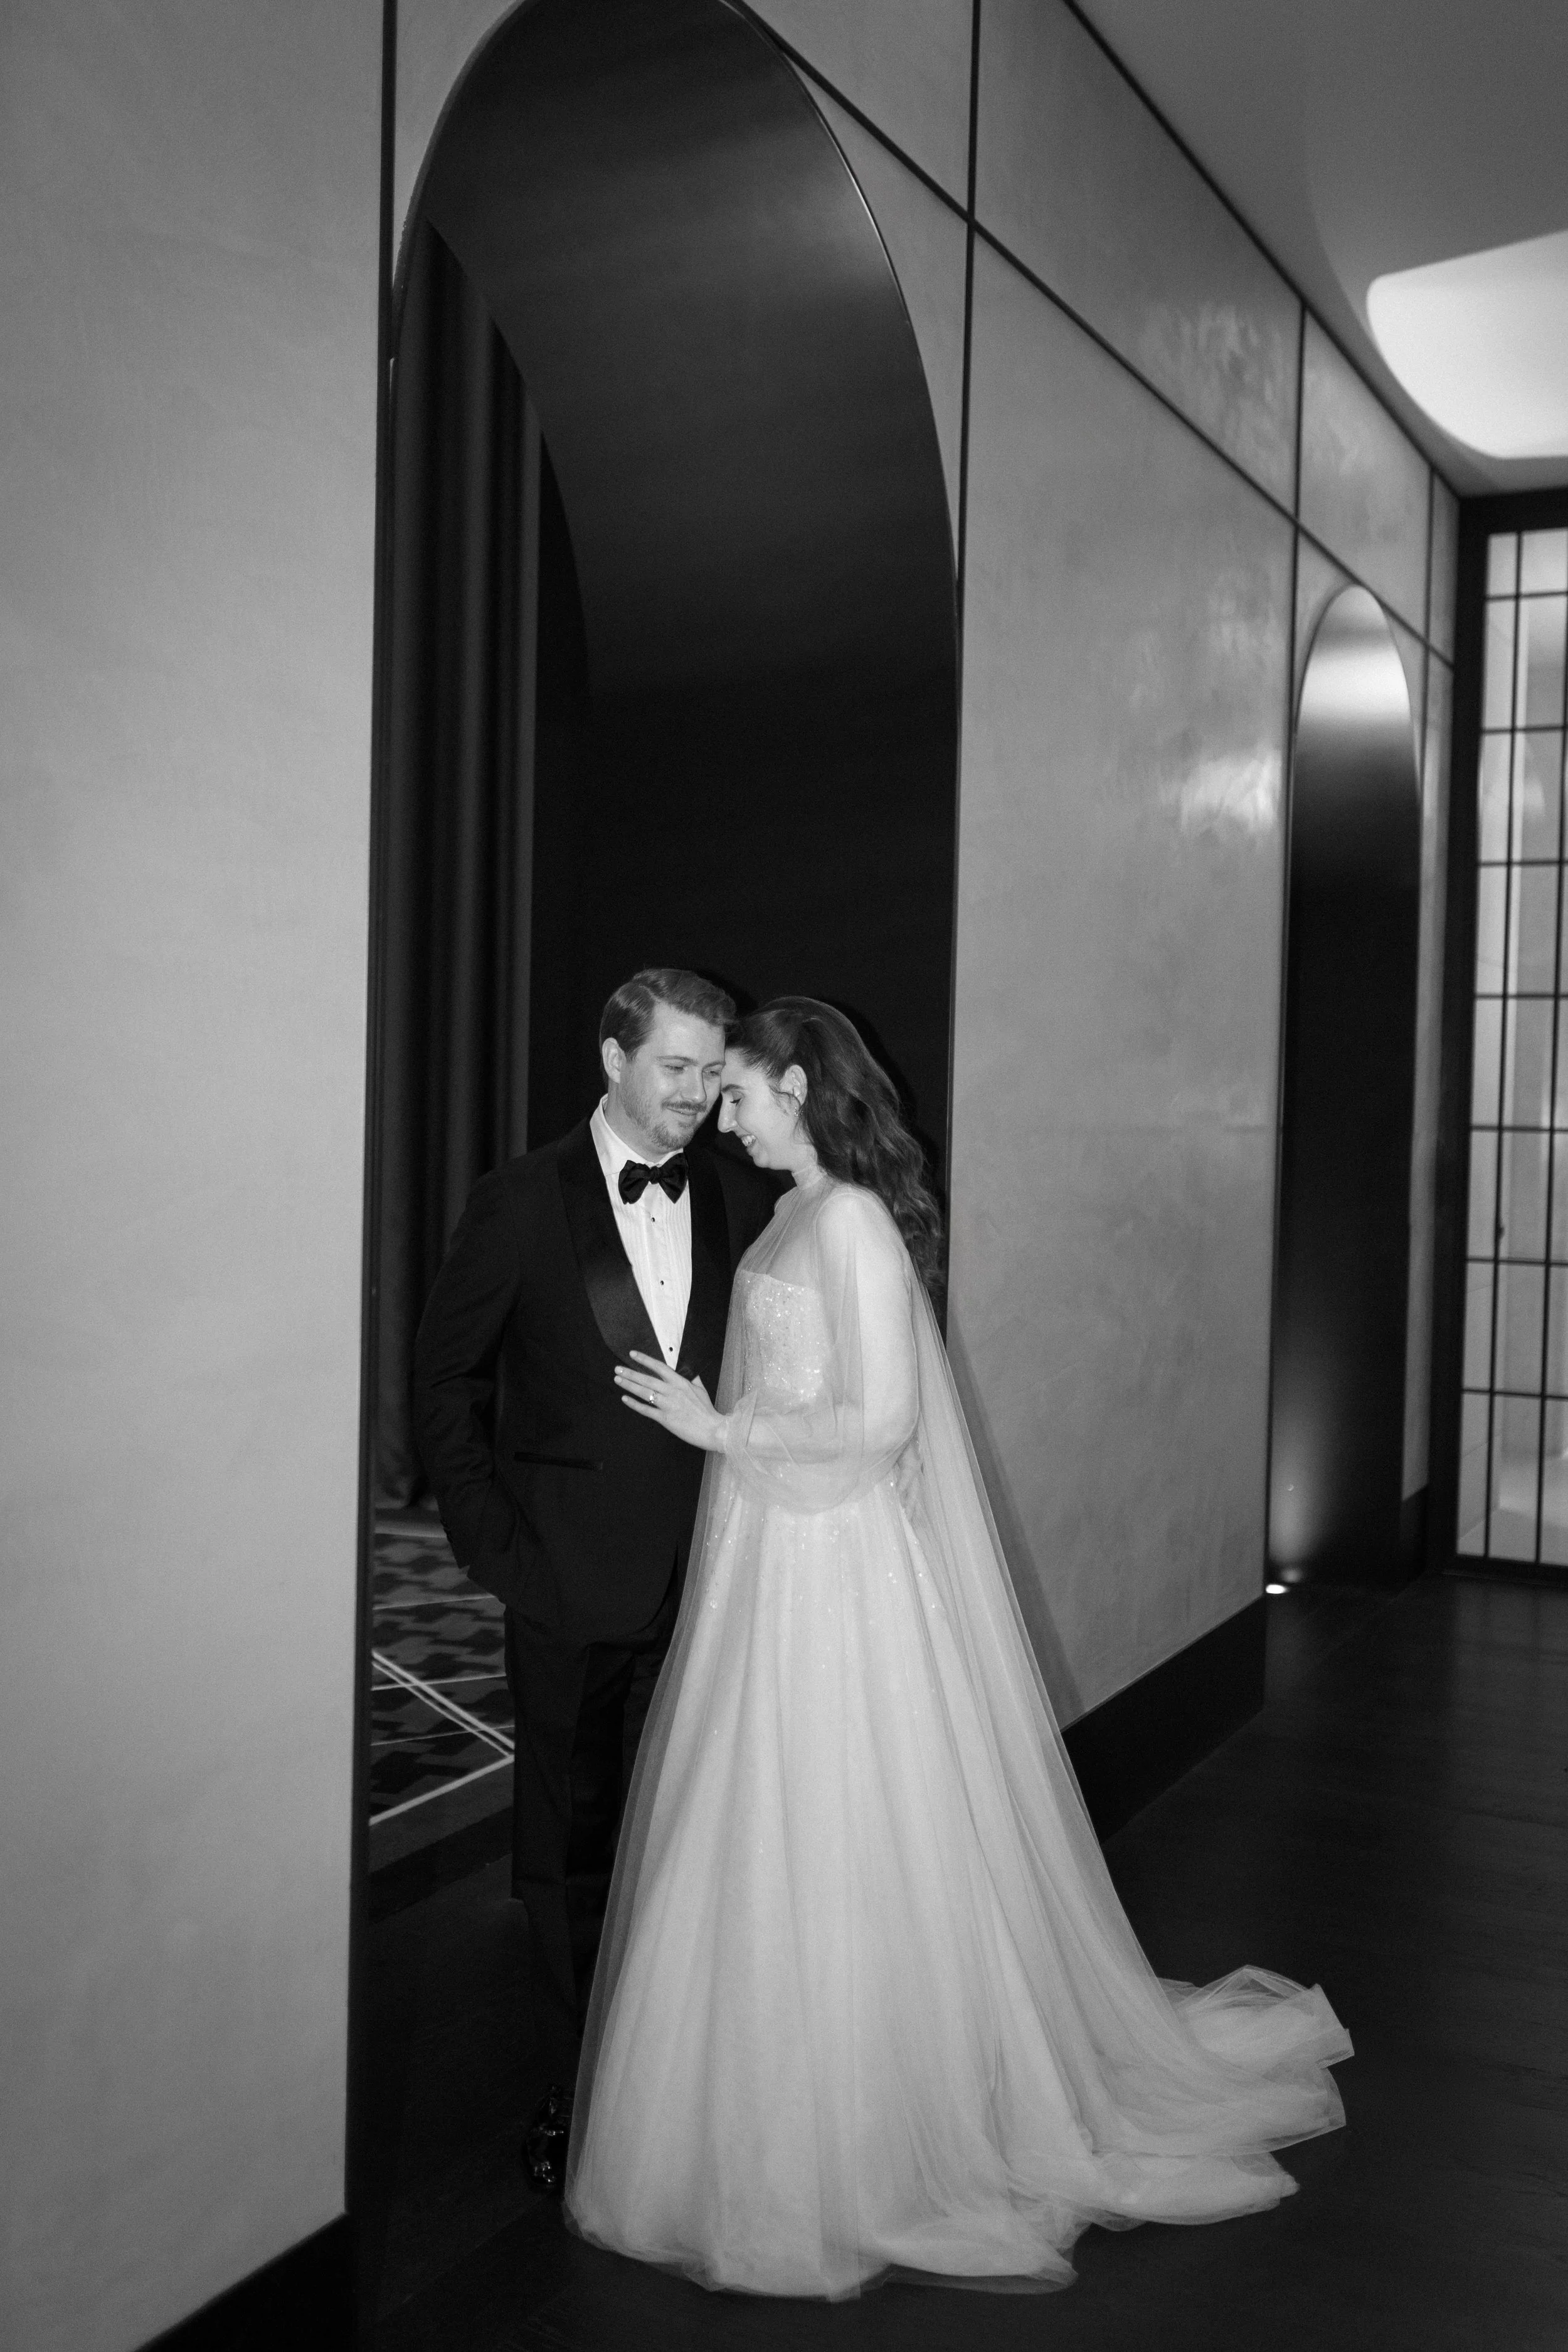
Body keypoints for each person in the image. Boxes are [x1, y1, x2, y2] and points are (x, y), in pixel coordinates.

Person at [564, 997, 1351, 2297]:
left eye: (744, 1091)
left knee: (848, 1820)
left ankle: (882, 2135)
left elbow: (876, 1426)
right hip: (770, 1564)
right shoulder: (791, 1212)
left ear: (800, 1086)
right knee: (761, 1819)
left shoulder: (854, 1224)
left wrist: (723, 1434)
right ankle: (763, 2112)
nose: (727, 1112)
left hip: (831, 1571)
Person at [411, 968, 776, 2195]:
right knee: (564, 1853)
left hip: (712, 1583)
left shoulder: (730, 1195)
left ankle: (676, 2067)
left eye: (712, 1073)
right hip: (564, 1582)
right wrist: (493, 1550)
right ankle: (586, 2086)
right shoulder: (516, 1203)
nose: (694, 1096)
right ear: (612, 1058)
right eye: (674, 1068)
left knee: (678, 1834)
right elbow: (444, 1387)